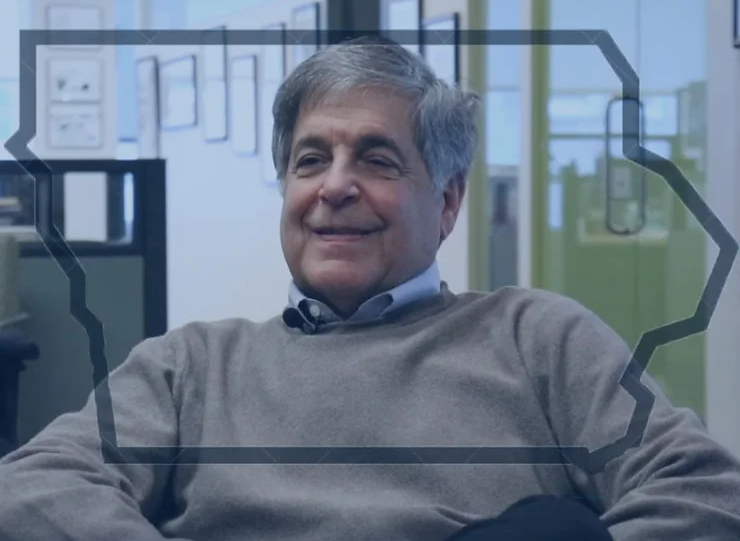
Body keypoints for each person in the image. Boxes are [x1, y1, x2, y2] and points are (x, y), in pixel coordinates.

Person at [1, 37, 739, 541]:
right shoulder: (192, 364)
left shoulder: (538, 338)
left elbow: (705, 492)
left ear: (447, 202)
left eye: (378, 160)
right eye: (310, 159)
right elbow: (33, 485)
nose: (336, 187)